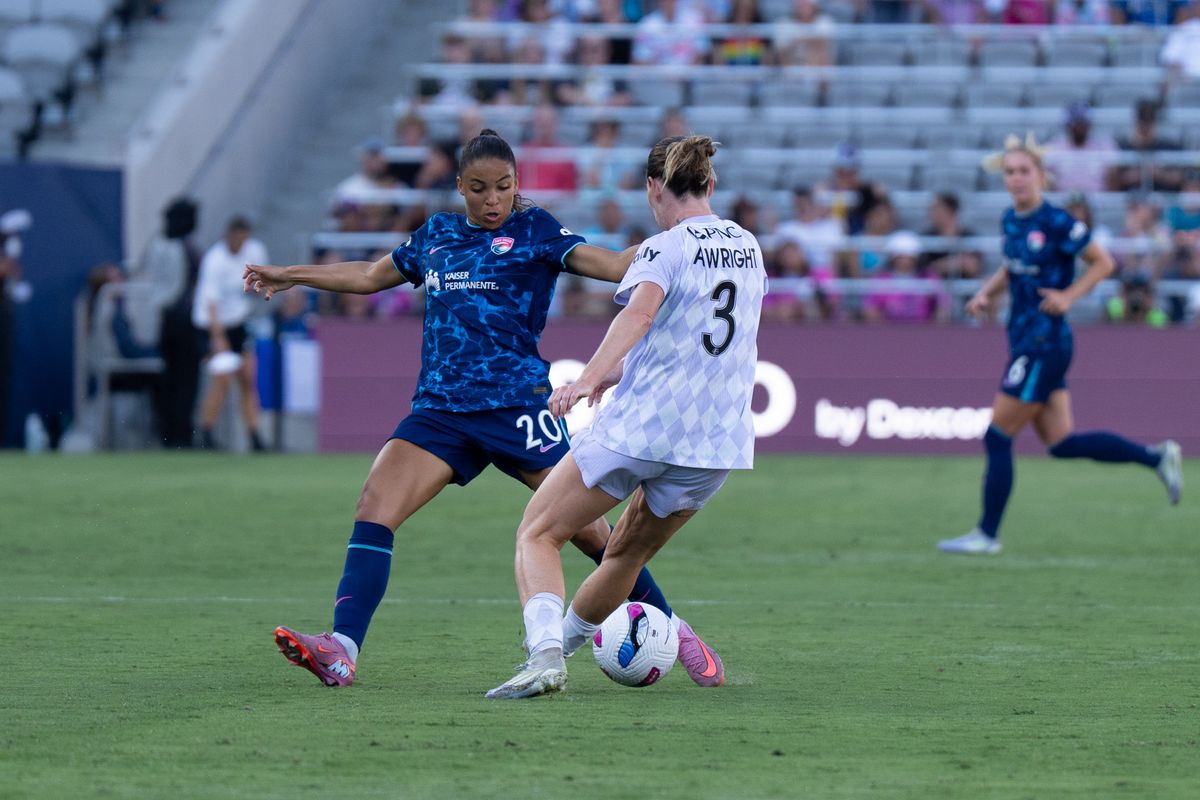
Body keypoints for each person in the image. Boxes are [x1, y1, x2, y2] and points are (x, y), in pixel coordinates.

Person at [245, 129, 723, 688]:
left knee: (596, 537)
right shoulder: (438, 236)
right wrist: (290, 274)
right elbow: (371, 276)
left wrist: (692, 238)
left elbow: (615, 265)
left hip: (517, 407)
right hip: (441, 410)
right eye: (478, 189)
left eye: (503, 187)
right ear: (460, 188)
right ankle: (341, 648)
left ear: (517, 184)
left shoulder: (537, 230)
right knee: (374, 505)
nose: (493, 199)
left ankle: (673, 627)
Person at [486, 135, 766, 699]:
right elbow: (696, 338)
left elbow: (639, 314)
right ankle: (557, 654)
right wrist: (615, 373)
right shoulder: (748, 245)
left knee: (539, 532)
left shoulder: (664, 247)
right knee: (627, 555)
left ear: (652, 188)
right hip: (714, 444)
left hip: (644, 427)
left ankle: (543, 657)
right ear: (710, 185)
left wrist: (589, 377)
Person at [937, 134, 1183, 556]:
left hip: (1044, 343)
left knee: (997, 437)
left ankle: (987, 534)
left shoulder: (1056, 222)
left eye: (1024, 172)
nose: (1016, 179)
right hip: (1023, 340)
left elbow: (1103, 262)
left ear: (1041, 176)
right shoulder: (1011, 219)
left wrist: (1069, 296)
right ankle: (1155, 457)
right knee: (1062, 443)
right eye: (1010, 172)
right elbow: (1013, 268)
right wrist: (987, 292)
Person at [128, 197, 203, 448]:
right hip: (181, 319)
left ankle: (170, 431)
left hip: (165, 319)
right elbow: (182, 288)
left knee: (170, 377)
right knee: (184, 380)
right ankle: (180, 432)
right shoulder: (181, 247)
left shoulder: (156, 245)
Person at [192, 216, 269, 451]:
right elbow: (211, 303)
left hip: (238, 322)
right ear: (228, 236)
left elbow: (260, 284)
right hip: (213, 324)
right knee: (223, 379)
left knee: (247, 377)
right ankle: (205, 431)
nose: (240, 244)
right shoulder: (215, 260)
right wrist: (219, 340)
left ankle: (254, 434)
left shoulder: (254, 250)